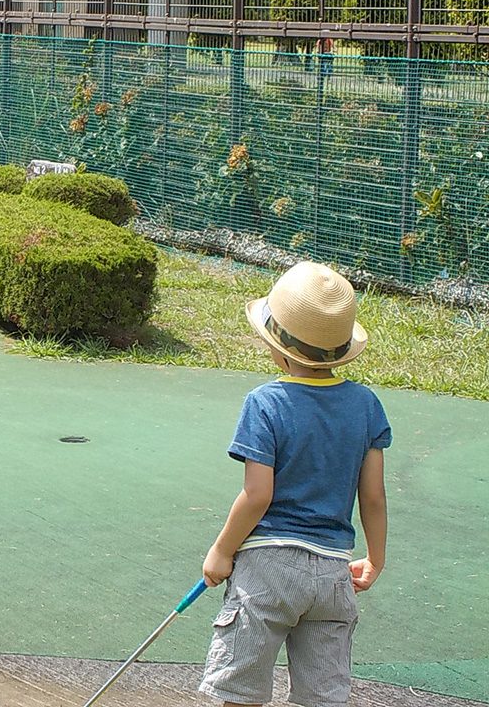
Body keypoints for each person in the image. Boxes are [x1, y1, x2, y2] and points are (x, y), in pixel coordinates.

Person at [199, 261, 391, 707]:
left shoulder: (265, 403)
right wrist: (375, 558)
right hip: (333, 574)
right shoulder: (366, 405)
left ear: (278, 347)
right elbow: (374, 496)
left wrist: (222, 551)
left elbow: (257, 495)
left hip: (267, 569)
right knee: (323, 697)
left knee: (239, 691)